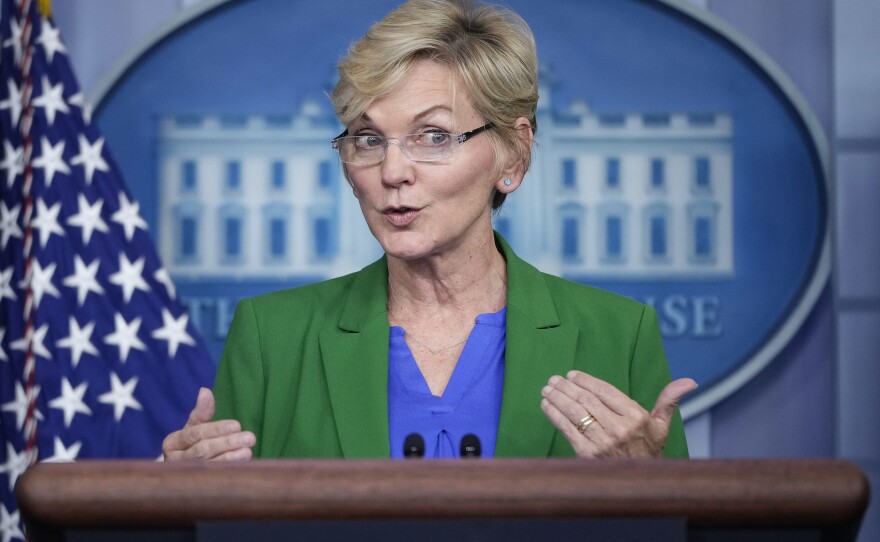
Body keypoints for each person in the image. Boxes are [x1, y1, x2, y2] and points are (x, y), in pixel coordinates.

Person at [162, 0, 697, 462]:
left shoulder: (618, 336)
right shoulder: (270, 337)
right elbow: (224, 521)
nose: (392, 172)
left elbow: (675, 528)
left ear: (513, 154)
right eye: (368, 139)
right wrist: (180, 502)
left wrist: (646, 487)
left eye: (434, 136)